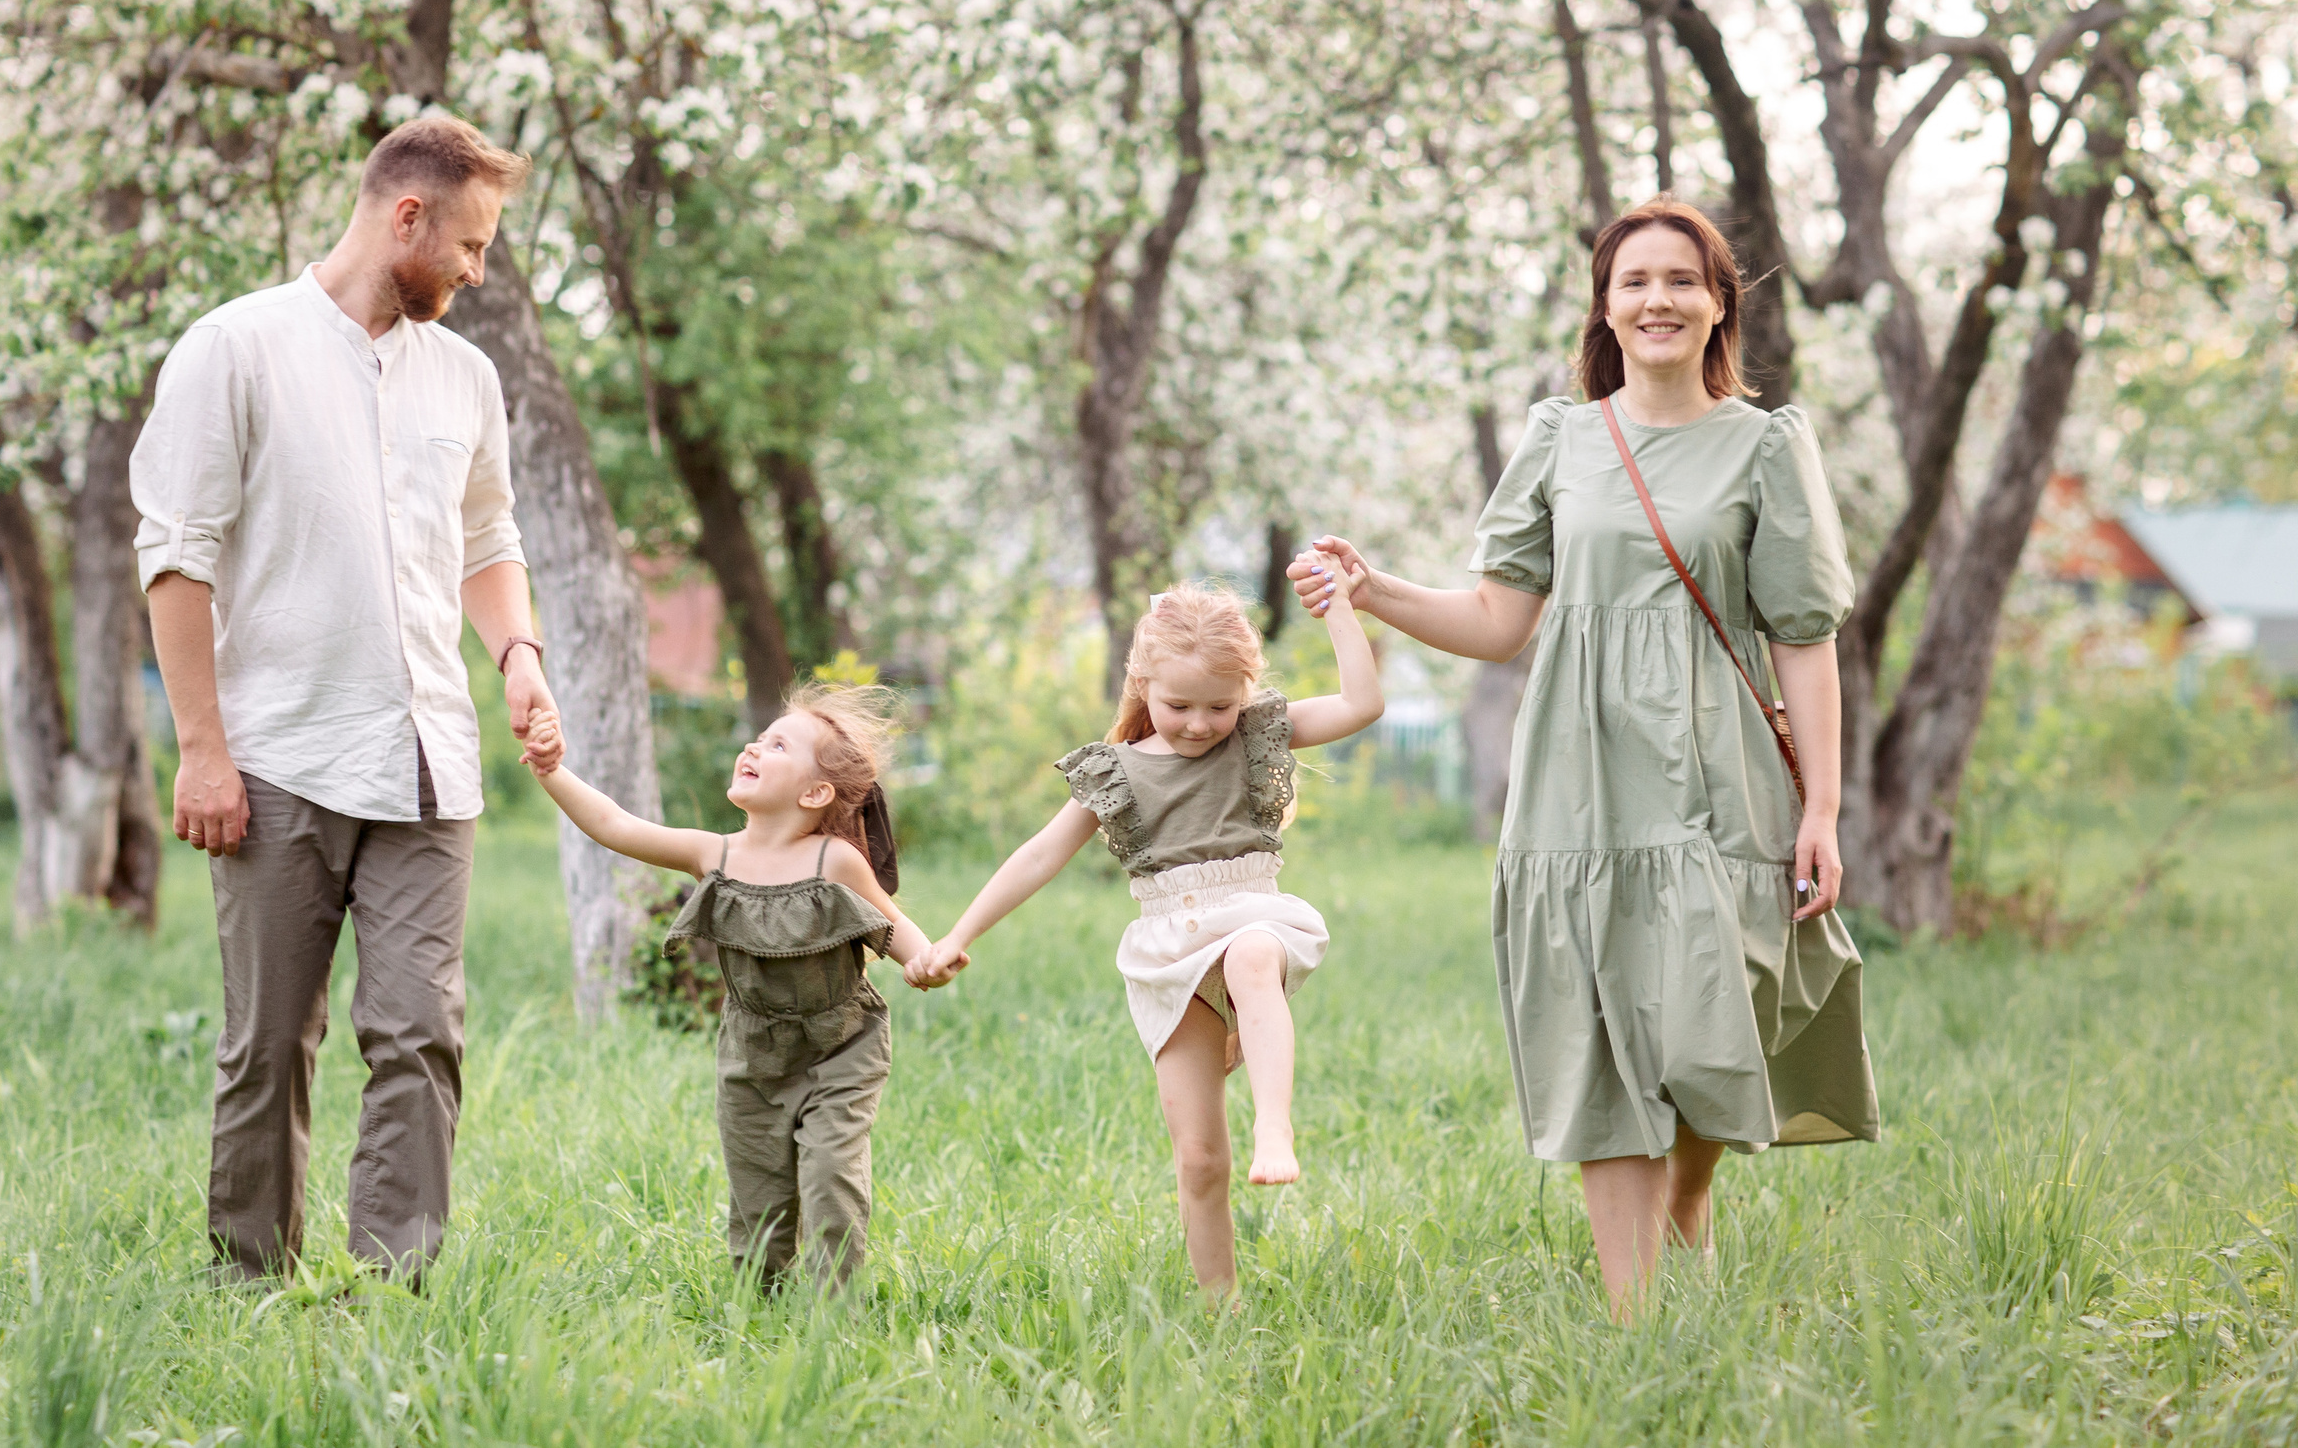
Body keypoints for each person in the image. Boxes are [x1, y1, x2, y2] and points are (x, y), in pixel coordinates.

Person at [1292, 196, 1879, 1316]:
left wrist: (1823, 808)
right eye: (1632, 282)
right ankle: (1632, 1322)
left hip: (1721, 772)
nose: (1655, 299)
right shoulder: (1561, 437)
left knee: (1723, 1007)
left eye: (1679, 280)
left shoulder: (1765, 445)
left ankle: (1689, 1200)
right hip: (1577, 774)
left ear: (1719, 305)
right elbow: (1500, 621)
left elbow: (1804, 635)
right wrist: (1377, 592)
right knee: (1599, 1028)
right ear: (1605, 308)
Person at [131, 115, 564, 1282]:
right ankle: (248, 1284)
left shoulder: (466, 378)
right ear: (405, 216)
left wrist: (517, 653)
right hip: (277, 755)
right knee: (270, 1043)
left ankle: (395, 1288)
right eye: (468, 246)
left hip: (430, 759)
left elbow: (487, 537)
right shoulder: (234, 348)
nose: (477, 272)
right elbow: (177, 555)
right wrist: (201, 750)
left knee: (422, 1033)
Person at [904, 577, 1383, 1299]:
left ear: (1244, 691)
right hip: (1168, 949)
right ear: (1143, 683)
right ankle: (1219, 1305)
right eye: (1179, 704)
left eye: (1220, 705)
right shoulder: (1115, 770)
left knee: (1253, 955)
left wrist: (1341, 609)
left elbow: (1361, 704)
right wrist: (958, 932)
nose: (1199, 723)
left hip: (1251, 911)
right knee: (1197, 1157)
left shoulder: (1256, 734)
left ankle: (1276, 1125)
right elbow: (1039, 854)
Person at [526, 683, 938, 1288]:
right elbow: (614, 825)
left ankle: (833, 1313)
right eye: (759, 736)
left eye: (777, 745)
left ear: (815, 792)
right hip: (751, 1053)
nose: (753, 745)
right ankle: (761, 1304)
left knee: (831, 1177)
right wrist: (553, 772)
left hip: (839, 1047)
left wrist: (928, 960)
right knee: (758, 1193)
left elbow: (899, 932)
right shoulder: (713, 854)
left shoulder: (835, 862)